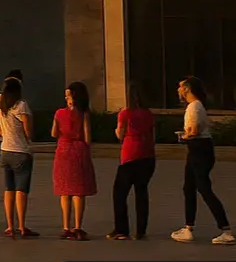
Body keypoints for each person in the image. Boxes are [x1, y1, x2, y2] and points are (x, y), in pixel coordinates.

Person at [171, 77, 235, 245]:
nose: (178, 89)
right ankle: (188, 228)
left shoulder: (194, 107)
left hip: (199, 149)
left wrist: (183, 136)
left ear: (187, 89)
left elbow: (193, 131)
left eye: (180, 86)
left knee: (204, 189)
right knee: (189, 188)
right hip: (198, 149)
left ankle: (226, 230)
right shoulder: (196, 106)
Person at [108, 82, 157, 240]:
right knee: (141, 192)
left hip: (130, 156)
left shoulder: (125, 113)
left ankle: (121, 229)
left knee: (120, 194)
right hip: (148, 156)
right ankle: (141, 230)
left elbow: (120, 135)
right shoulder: (148, 113)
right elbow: (153, 135)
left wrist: (116, 130)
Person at [52, 81, 98, 240]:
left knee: (64, 192)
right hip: (79, 151)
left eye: (68, 96)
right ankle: (78, 226)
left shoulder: (59, 113)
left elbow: (53, 133)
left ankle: (65, 226)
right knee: (79, 191)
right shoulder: (84, 114)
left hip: (63, 151)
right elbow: (88, 137)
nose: (66, 99)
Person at [0, 74, 38, 238]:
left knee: (9, 189)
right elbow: (28, 131)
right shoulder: (21, 106)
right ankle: (21, 225)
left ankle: (9, 226)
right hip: (21, 151)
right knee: (21, 190)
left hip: (5, 150)